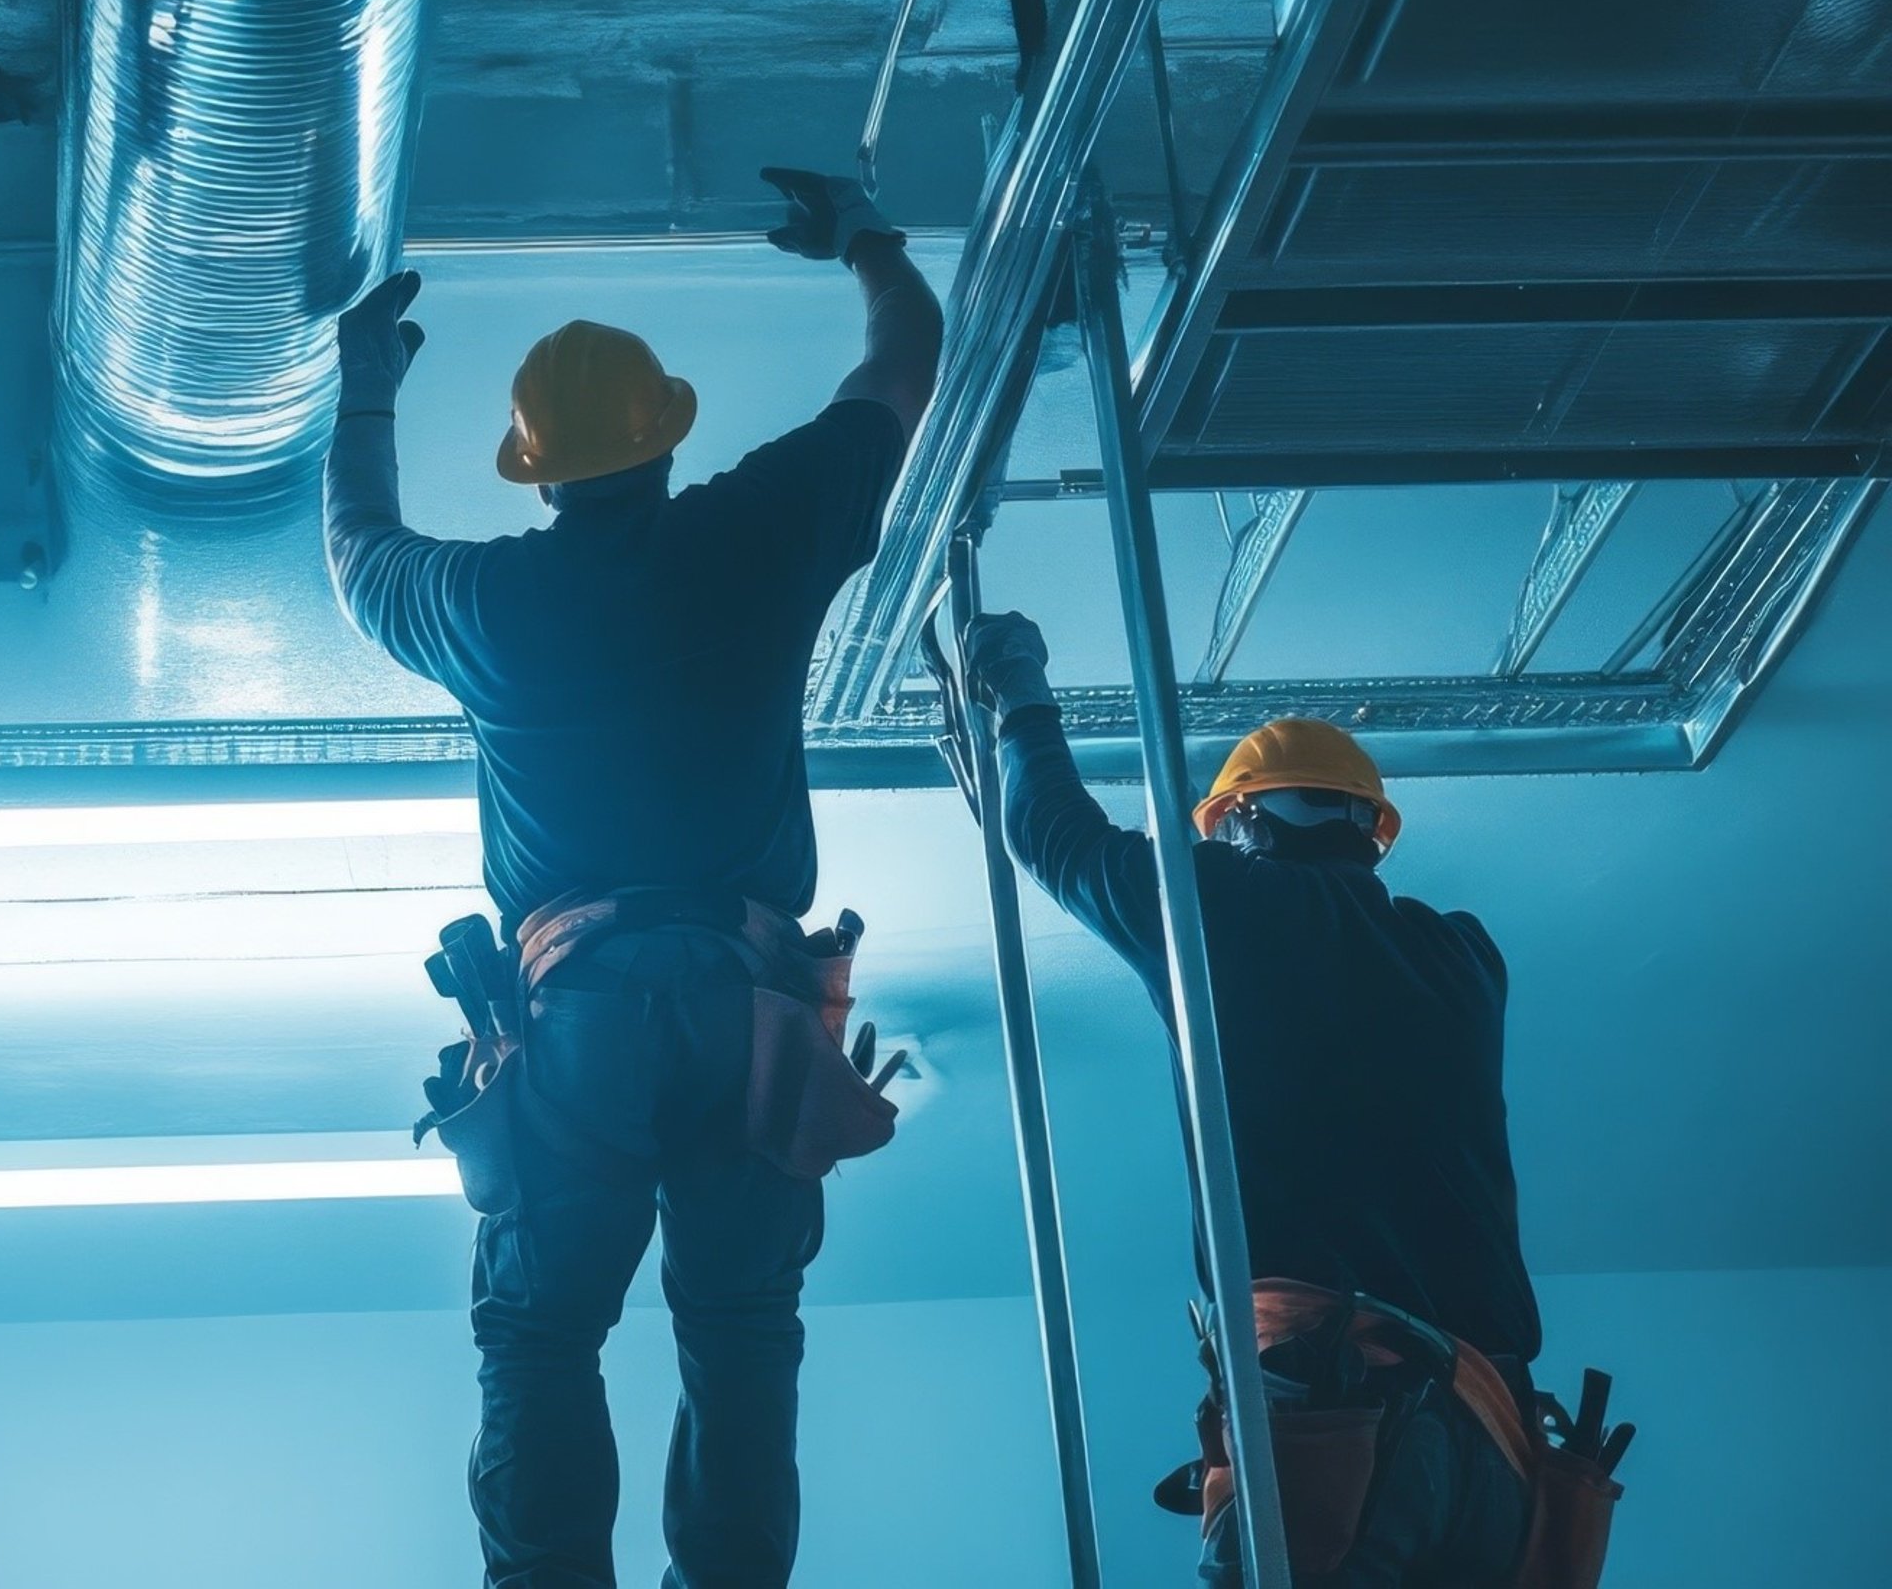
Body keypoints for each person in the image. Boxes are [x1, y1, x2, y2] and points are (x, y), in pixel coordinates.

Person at [324, 170, 942, 1589]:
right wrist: (865, 240)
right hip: (750, 1016)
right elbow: (905, 368)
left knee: (541, 1335)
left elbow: (356, 552)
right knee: (738, 1327)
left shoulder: (488, 604)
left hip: (577, 1014)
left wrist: (365, 386)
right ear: (667, 440)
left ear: (533, 473)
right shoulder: (759, 530)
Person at [963, 610, 1541, 1589]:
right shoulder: (1465, 956)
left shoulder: (1224, 908)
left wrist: (1014, 687)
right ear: (1372, 833)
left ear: (1240, 822)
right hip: (1495, 1442)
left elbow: (1053, 836)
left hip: (1339, 1416)